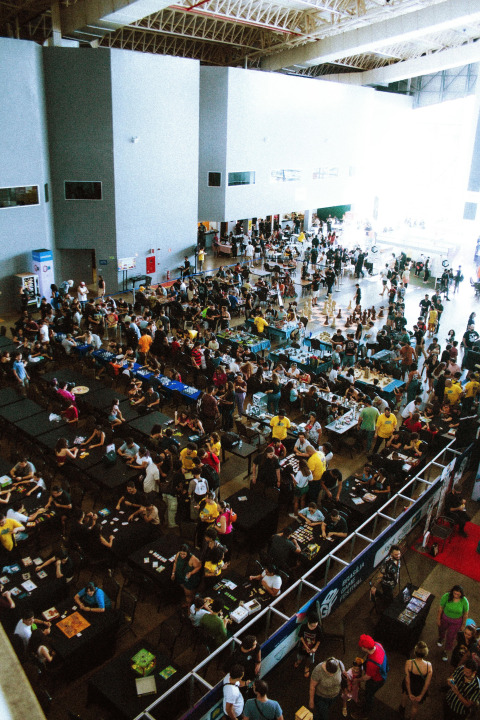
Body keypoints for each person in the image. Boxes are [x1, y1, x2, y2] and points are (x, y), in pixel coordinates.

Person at [354, 634, 388, 719]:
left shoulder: (372, 663)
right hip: (380, 674)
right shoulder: (377, 644)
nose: (361, 647)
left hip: (376, 681)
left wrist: (357, 680)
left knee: (370, 695)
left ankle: (365, 713)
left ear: (365, 648)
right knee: (368, 692)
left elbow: (367, 677)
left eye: (362, 646)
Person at [399, 641, 432, 719]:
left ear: (415, 651)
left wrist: (410, 693)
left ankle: (402, 709)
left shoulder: (409, 662)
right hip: (419, 687)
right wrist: (421, 695)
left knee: (405, 694)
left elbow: (407, 680)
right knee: (415, 706)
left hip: (409, 684)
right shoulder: (429, 666)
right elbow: (427, 683)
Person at [437, 585, 470, 662]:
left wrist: (463, 625)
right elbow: (441, 608)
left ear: (461, 594)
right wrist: (438, 618)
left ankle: (446, 651)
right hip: (445, 618)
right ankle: (441, 638)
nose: (456, 595)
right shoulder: (446, 596)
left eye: (458, 594)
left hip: (456, 622)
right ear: (452, 592)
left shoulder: (464, 601)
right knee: (441, 629)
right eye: (455, 593)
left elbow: (465, 614)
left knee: (451, 636)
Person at [295, 612, 322, 678]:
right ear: (308, 623)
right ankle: (299, 661)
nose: (314, 628)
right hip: (303, 646)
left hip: (312, 648)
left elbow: (319, 640)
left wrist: (315, 648)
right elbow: (301, 636)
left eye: (315, 625)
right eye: (312, 626)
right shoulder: (303, 627)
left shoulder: (318, 629)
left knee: (309, 659)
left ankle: (307, 667)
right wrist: (306, 646)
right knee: (300, 656)